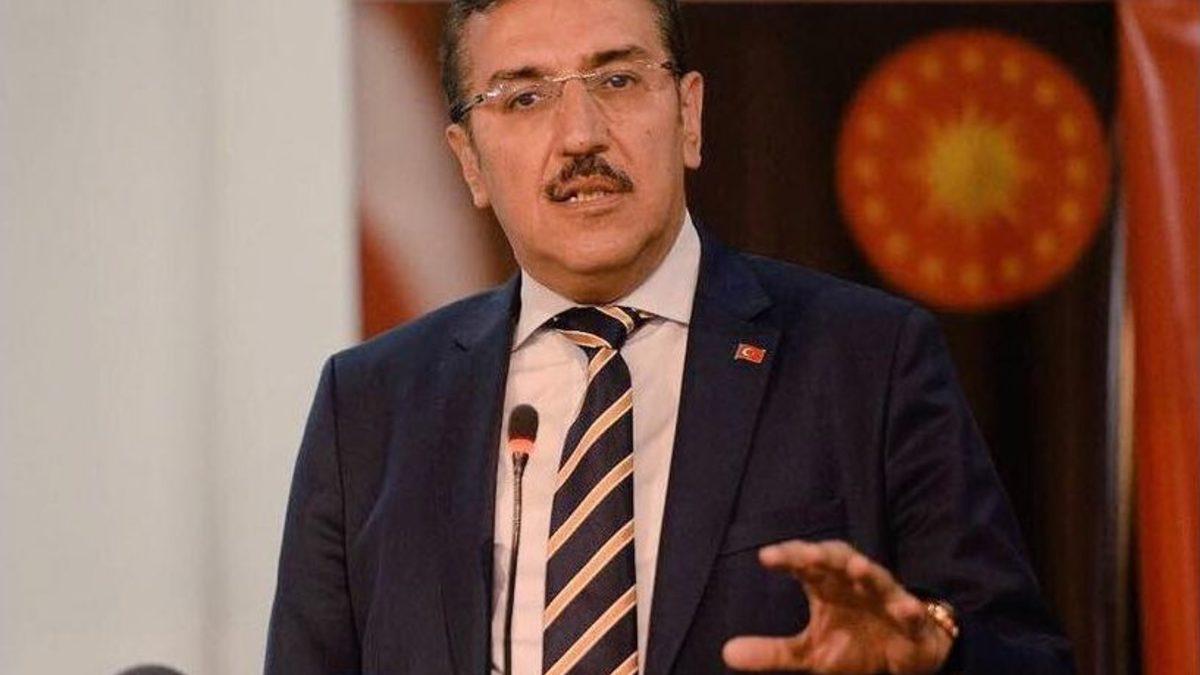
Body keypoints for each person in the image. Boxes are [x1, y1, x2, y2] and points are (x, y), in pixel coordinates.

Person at [265, 0, 1074, 672]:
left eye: (617, 79)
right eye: (524, 98)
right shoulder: (368, 405)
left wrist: (933, 656)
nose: (580, 136)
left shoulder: (868, 359)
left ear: (689, 114)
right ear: (469, 161)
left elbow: (1027, 656)